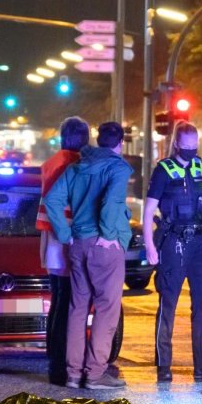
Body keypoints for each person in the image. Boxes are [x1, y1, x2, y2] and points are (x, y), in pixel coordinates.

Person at [43, 121, 133, 390]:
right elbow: (111, 203)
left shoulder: (76, 167)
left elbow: (52, 200)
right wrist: (107, 235)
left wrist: (64, 233)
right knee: (107, 309)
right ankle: (94, 374)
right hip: (104, 246)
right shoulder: (117, 167)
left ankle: (73, 373)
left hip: (78, 243)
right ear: (119, 143)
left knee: (77, 308)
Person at [143, 122, 202, 383]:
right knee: (168, 304)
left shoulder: (201, 167)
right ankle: (164, 365)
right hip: (173, 241)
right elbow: (148, 209)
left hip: (200, 241)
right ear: (177, 143)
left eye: (195, 145)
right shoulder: (163, 170)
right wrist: (150, 245)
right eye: (187, 146)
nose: (191, 150)